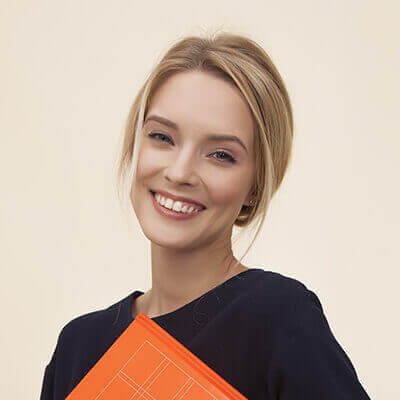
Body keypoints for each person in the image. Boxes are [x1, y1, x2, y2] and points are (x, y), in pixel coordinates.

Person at [39, 31, 371, 399]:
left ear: (256, 185)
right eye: (162, 137)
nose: (180, 172)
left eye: (221, 155)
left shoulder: (277, 318)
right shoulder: (79, 348)